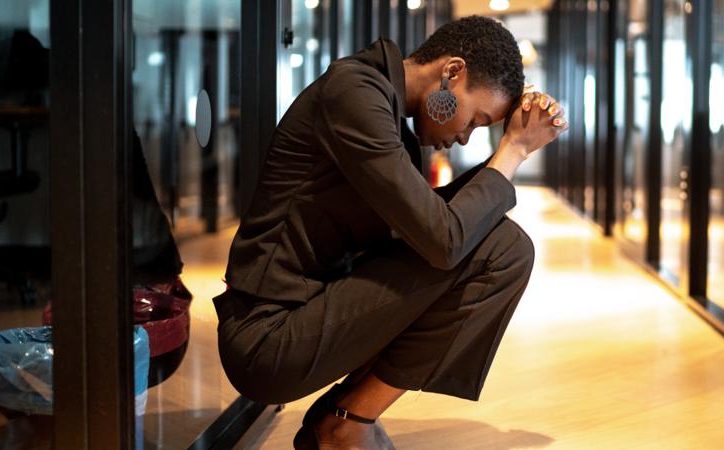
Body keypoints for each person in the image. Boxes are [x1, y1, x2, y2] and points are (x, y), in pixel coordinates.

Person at [213, 15, 567, 450]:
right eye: (475, 120)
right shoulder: (355, 95)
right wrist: (513, 150)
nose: (464, 138)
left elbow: (436, 227)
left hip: (313, 311)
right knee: (499, 249)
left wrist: (512, 142)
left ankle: (344, 416)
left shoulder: (390, 114)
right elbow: (444, 239)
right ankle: (347, 422)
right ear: (452, 72)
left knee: (505, 246)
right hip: (267, 338)